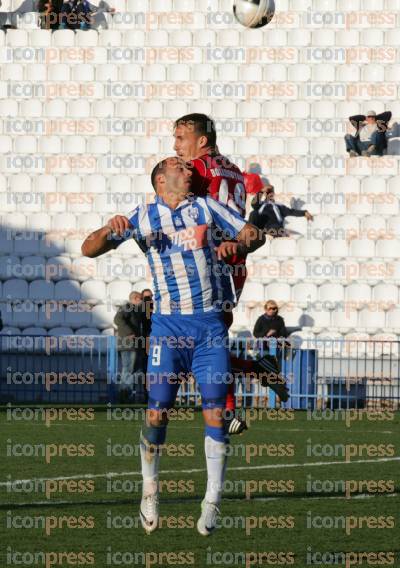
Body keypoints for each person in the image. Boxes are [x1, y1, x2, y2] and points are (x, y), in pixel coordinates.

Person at [81, 156, 265, 536]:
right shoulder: (143, 215)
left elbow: (255, 234)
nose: (188, 170)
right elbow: (89, 248)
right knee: (157, 412)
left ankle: (212, 499)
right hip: (167, 329)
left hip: (209, 325)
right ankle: (150, 489)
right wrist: (108, 229)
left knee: (216, 412)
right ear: (161, 180)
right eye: (179, 167)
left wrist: (237, 245)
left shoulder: (206, 206)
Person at [173, 113, 288, 435]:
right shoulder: (234, 170)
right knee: (206, 339)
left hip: (209, 259)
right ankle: (255, 371)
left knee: (202, 340)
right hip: (233, 261)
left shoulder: (195, 169)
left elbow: (175, 203)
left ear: (202, 141)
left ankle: (227, 410)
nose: (176, 146)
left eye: (181, 138)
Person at [113, 290, 146, 403]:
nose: (142, 302)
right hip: (128, 345)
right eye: (141, 299)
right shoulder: (127, 307)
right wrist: (129, 333)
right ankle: (124, 395)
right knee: (128, 370)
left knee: (133, 370)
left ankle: (127, 395)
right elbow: (117, 319)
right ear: (136, 299)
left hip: (134, 345)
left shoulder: (135, 310)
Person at [249, 184, 313, 238]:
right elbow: (253, 203)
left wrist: (304, 213)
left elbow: (291, 211)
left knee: (276, 228)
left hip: (274, 228)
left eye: (271, 192)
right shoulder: (260, 205)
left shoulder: (279, 206)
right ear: (265, 194)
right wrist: (261, 191)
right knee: (253, 213)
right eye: (267, 193)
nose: (269, 194)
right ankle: (250, 234)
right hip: (262, 228)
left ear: (273, 194)